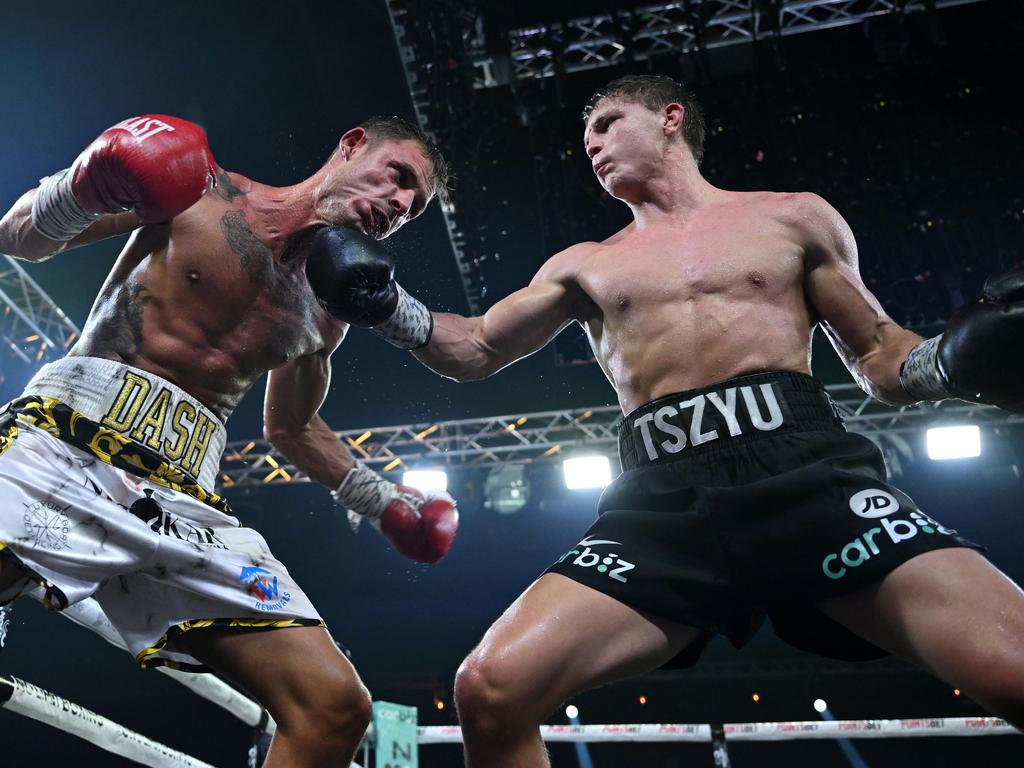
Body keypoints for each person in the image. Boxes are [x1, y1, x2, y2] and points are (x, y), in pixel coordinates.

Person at [314, 74, 1024, 766]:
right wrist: (386, 305)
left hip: (809, 479)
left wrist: (950, 363)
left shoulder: (792, 217)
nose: (590, 146)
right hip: (662, 507)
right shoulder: (584, 265)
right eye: (585, 137)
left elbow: (878, 355)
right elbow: (473, 349)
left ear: (670, 119)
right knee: (490, 689)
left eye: (605, 124)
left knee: (1015, 667)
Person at [0, 112, 458, 767]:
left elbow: (291, 428)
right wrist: (85, 182)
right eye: (400, 176)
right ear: (351, 144)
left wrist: (384, 503)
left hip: (185, 500)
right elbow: (19, 238)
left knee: (334, 707)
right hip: (65, 444)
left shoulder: (331, 310)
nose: (402, 204)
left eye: (415, 207)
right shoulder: (201, 191)